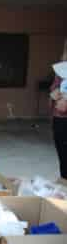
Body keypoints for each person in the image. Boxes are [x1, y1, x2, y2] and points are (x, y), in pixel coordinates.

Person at [50, 39, 67, 179]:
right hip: (60, 118)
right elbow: (54, 86)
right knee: (63, 156)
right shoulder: (62, 68)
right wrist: (54, 93)